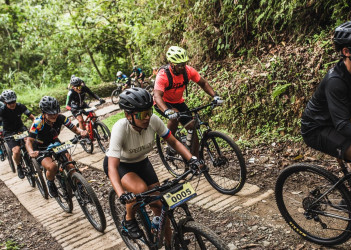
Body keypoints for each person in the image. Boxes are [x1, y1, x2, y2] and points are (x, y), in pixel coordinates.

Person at [301, 20, 351, 228]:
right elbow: (342, 125)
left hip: (338, 123)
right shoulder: (336, 81)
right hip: (318, 129)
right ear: (347, 51)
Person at [104, 87, 200, 243]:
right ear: (128, 115)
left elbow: (173, 141)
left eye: (149, 112)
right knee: (139, 190)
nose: (147, 117)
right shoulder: (120, 128)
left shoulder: (153, 121)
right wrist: (122, 194)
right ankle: (129, 219)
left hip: (141, 162)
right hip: (121, 165)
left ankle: (167, 244)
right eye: (142, 114)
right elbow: (112, 167)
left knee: (161, 205)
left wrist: (192, 159)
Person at [153, 46, 224, 156]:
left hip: (178, 101)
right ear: (171, 63)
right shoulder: (163, 75)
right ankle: (170, 142)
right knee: (174, 114)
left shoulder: (188, 71)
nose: (182, 67)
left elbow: (203, 83)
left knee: (192, 128)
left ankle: (194, 160)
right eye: (179, 65)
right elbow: (157, 96)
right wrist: (167, 110)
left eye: (184, 63)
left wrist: (215, 96)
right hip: (162, 102)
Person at [26, 96, 87, 198]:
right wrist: (31, 151)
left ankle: (81, 188)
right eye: (50, 113)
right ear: (44, 112)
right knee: (52, 167)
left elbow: (76, 130)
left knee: (71, 166)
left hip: (55, 142)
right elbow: (29, 141)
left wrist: (82, 132)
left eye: (55, 112)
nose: (54, 115)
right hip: (41, 147)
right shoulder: (37, 122)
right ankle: (50, 182)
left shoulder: (61, 118)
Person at [0, 90, 35, 179]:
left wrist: (35, 128)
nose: (12, 104)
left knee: (29, 142)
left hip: (20, 128)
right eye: (10, 102)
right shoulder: (2, 110)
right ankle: (19, 166)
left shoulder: (20, 106)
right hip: (9, 132)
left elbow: (33, 118)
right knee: (16, 150)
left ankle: (35, 160)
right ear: (5, 102)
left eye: (14, 101)